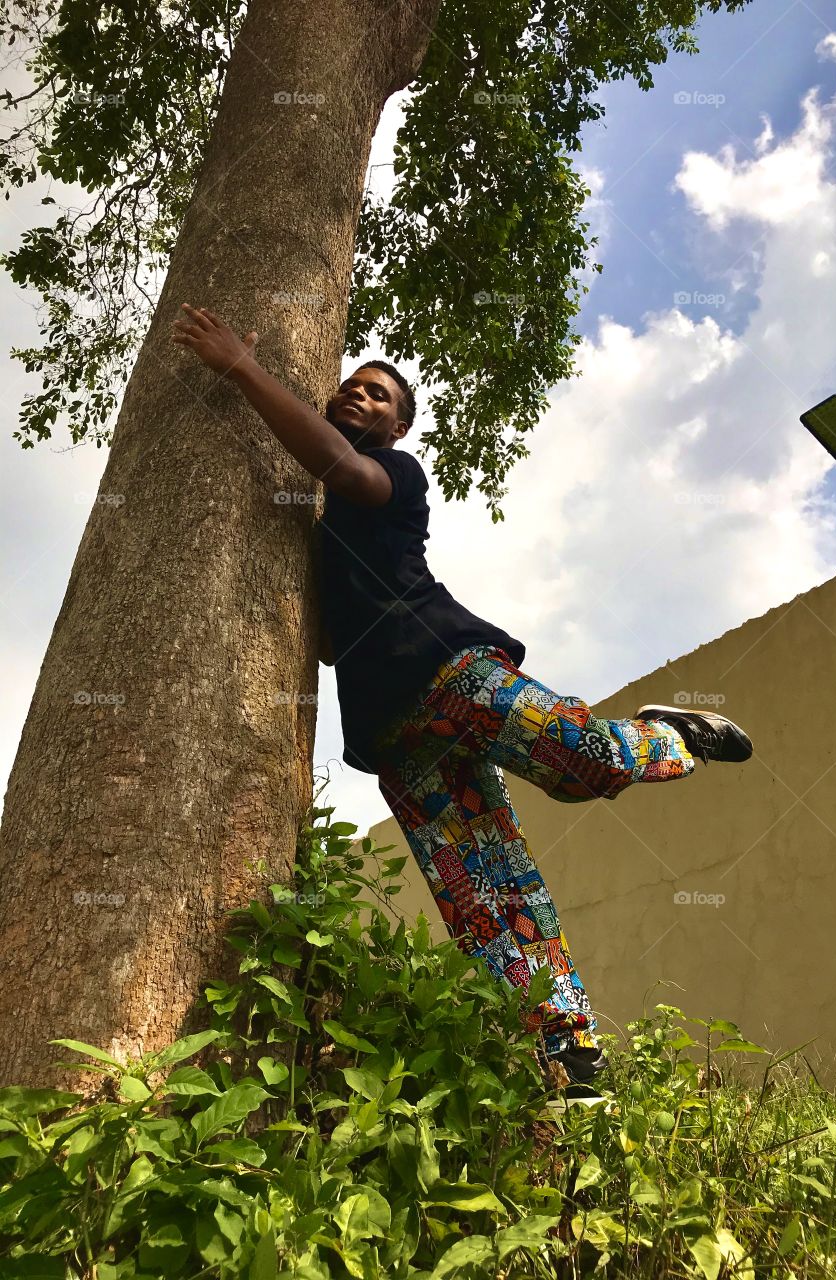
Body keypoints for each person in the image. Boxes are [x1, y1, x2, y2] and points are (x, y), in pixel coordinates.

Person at [171, 303, 754, 1101]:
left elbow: (343, 467)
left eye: (378, 395)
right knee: (484, 895)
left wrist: (241, 364)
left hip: (453, 672)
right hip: (398, 738)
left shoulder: (393, 477)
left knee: (580, 764)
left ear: (401, 427)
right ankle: (570, 1057)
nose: (358, 396)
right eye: (349, 386)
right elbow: (333, 640)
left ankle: (666, 732)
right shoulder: (326, 532)